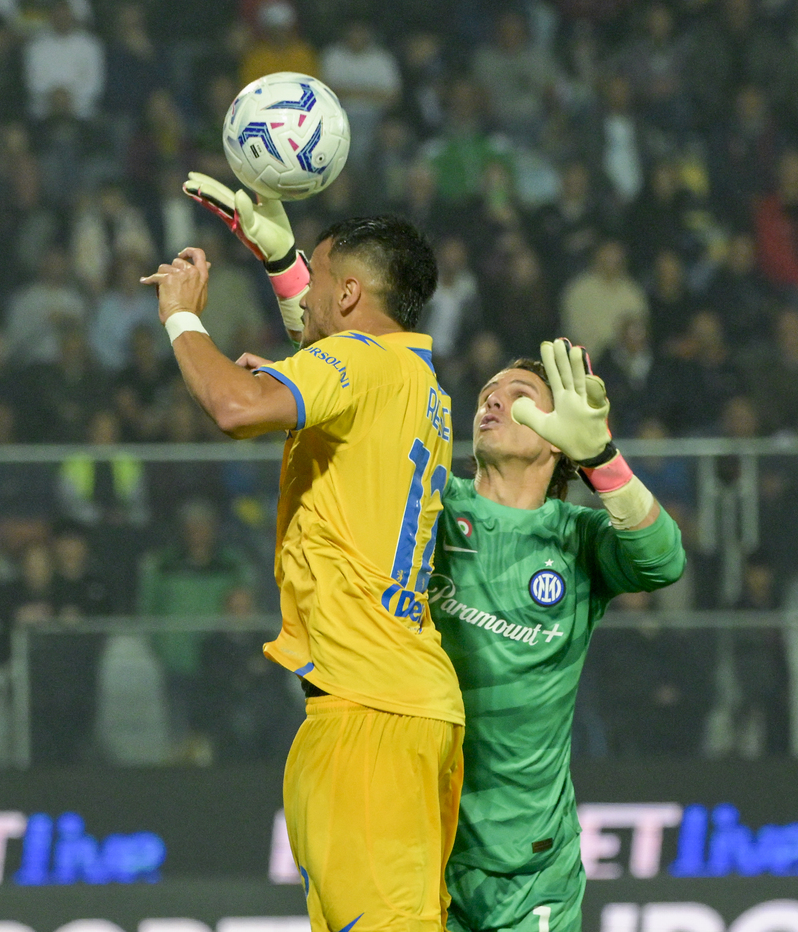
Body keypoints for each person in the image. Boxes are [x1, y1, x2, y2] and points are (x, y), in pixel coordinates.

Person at [143, 202, 462, 931]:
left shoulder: (360, 362)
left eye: (316, 277)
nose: (305, 294)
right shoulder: (415, 381)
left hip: (371, 714)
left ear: (349, 293)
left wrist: (183, 317)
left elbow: (232, 406)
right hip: (389, 700)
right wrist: (283, 259)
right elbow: (310, 347)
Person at [429, 339, 686, 932]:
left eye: (519, 398)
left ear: (556, 438)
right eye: (487, 395)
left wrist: (600, 456)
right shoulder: (433, 503)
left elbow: (663, 561)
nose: (491, 402)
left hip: (531, 869)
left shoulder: (578, 536)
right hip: (422, 848)